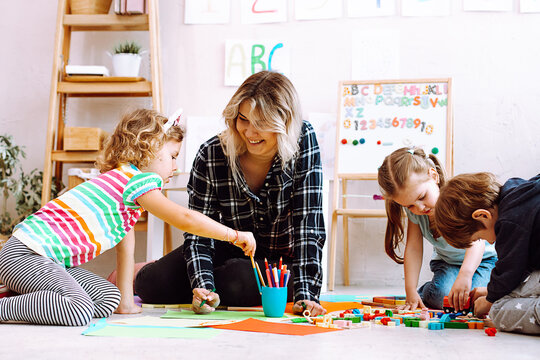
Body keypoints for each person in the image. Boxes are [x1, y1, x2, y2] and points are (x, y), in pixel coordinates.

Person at [0, 109, 255, 326]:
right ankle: (4, 305)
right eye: (173, 157)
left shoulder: (124, 193)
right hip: (25, 254)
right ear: (150, 149)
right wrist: (232, 235)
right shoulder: (138, 180)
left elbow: (126, 251)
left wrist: (125, 304)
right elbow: (184, 218)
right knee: (78, 310)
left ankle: (16, 292)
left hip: (48, 262)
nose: (175, 167)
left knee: (107, 298)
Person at [134, 71, 327, 316]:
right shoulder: (211, 153)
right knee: (150, 285)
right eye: (243, 119)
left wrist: (306, 295)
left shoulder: (304, 139)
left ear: (285, 123)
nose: (249, 132)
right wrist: (203, 288)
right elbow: (198, 233)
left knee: (237, 282)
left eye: (262, 123)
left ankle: (222, 280)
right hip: (223, 250)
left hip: (278, 264)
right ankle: (149, 269)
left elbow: (307, 224)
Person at [377, 147, 497, 311]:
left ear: (434, 176)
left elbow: (477, 243)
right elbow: (413, 248)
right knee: (445, 298)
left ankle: (443, 287)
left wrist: (465, 274)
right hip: (447, 263)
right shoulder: (417, 213)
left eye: (421, 197)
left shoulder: (457, 201)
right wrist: (410, 291)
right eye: (409, 205)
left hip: (483, 261)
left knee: (472, 300)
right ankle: (427, 291)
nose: (419, 208)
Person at [435, 172, 540, 334]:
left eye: (479, 237)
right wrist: (490, 291)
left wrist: (489, 300)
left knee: (498, 311)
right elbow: (521, 266)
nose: (490, 242)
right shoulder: (517, 190)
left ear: (482, 215)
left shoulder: (509, 221)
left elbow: (509, 271)